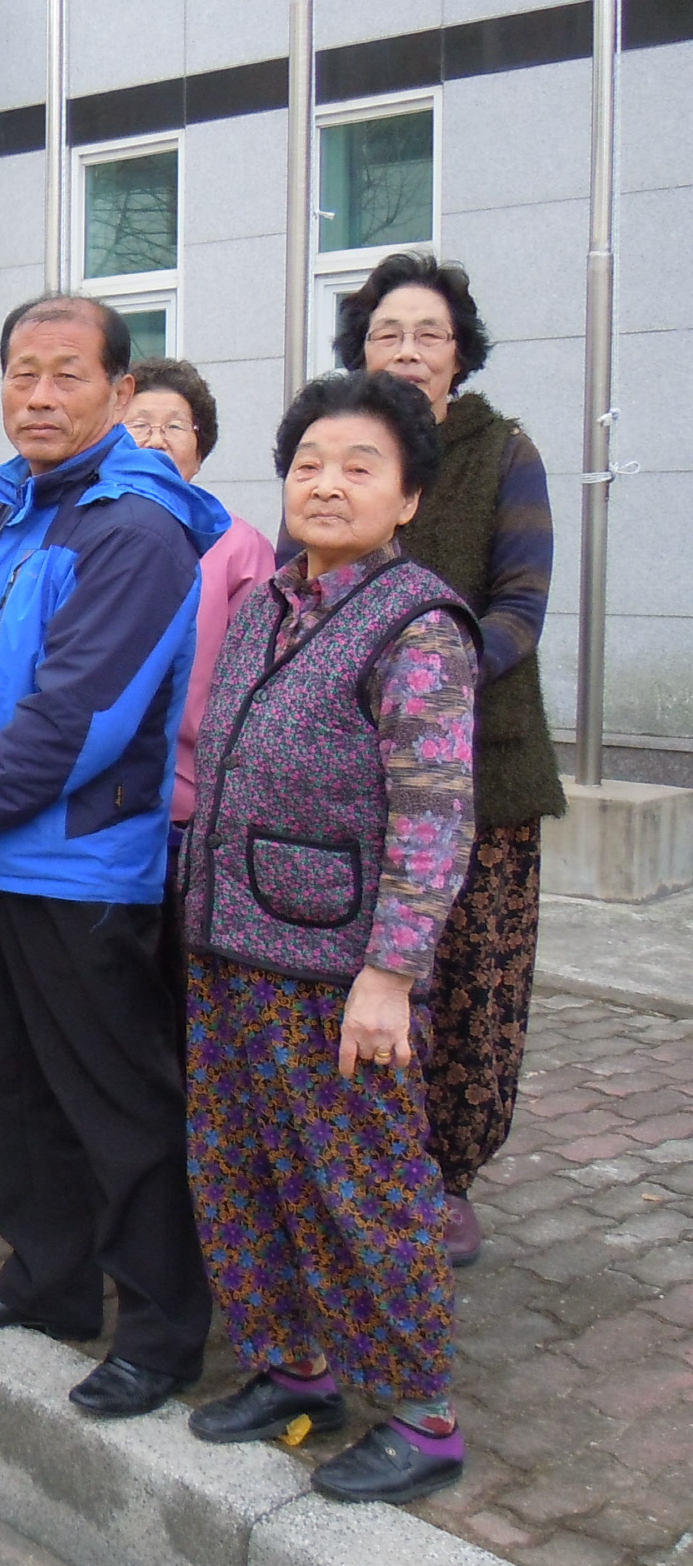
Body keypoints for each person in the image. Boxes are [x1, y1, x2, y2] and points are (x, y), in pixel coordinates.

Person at [0, 295, 227, 1419]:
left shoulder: (133, 529)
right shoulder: (20, 514)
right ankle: (50, 1282)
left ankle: (162, 1332)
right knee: (12, 1090)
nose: (38, 395)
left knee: (115, 1102)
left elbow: (79, 720)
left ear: (122, 393)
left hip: (76, 869)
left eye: (68, 375)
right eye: (22, 372)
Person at [180, 369, 478, 1505]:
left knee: (366, 1188)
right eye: (310, 462)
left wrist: (392, 972)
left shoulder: (417, 625)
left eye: (361, 467)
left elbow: (436, 814)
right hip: (232, 948)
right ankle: (293, 1369)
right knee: (240, 1169)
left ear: (407, 498)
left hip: (341, 970)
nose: (329, 483)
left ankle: (422, 1411)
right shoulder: (266, 602)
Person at [339, 253, 565, 1270]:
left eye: (430, 334)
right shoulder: (345, 446)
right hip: (354, 771)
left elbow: (521, 603)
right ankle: (370, 1155)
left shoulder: (501, 450)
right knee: (373, 975)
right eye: (389, 333)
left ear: (460, 352)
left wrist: (429, 684)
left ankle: (449, 1173)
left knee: (473, 980)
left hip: (485, 767)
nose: (409, 351)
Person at [125, 360, 280, 1013]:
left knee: (186, 985)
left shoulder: (240, 548)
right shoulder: (88, 534)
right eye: (139, 425)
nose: (156, 438)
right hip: (102, 805)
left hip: (193, 807)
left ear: (201, 443)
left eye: (174, 426)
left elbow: (258, 689)